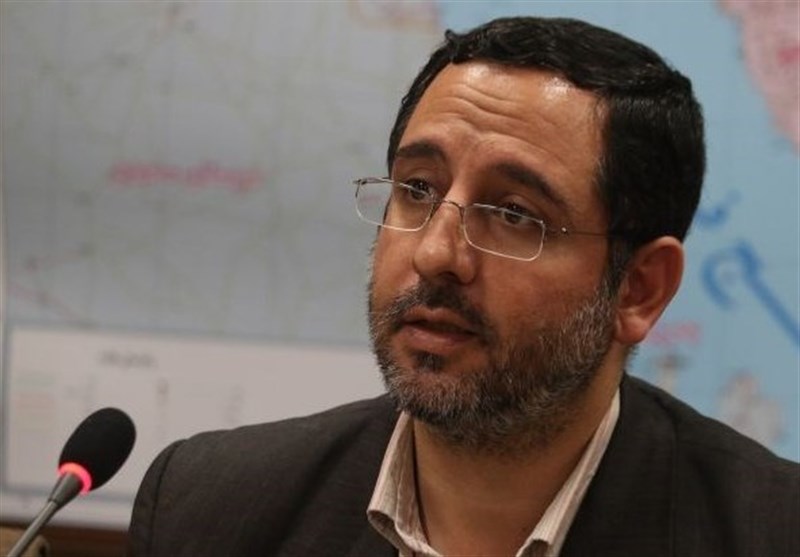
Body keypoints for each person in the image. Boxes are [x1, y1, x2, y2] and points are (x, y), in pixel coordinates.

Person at [127, 16, 800, 557]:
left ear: (639, 290)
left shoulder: (771, 532)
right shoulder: (211, 508)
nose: (435, 253)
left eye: (515, 214)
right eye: (418, 189)